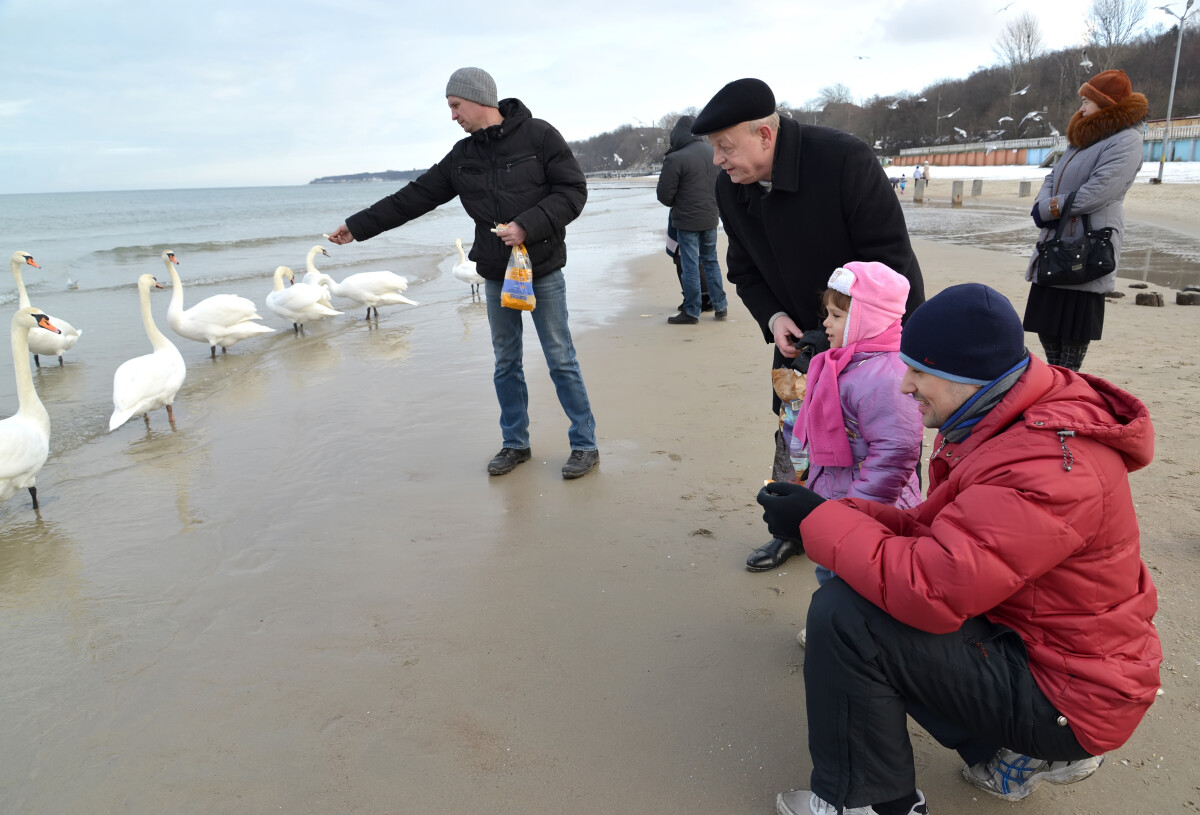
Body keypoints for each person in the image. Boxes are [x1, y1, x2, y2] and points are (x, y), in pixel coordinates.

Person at [757, 283, 1161, 815]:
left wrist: (818, 524)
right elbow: (936, 535)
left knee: (847, 617)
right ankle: (1005, 753)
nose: (905, 386)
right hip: (1049, 656)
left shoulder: (1047, 464)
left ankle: (870, 803)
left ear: (966, 377)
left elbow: (931, 587)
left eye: (919, 373)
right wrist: (829, 513)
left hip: (1074, 695)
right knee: (870, 601)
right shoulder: (1008, 419)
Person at [690, 77, 925, 572]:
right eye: (713, 149)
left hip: (873, 340)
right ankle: (792, 528)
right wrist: (774, 319)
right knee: (793, 437)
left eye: (724, 147)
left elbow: (892, 264)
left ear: (765, 136)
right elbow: (743, 271)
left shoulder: (844, 160)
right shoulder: (730, 188)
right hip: (797, 340)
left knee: (880, 444)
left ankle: (891, 537)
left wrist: (846, 327)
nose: (717, 160)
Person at [326, 67, 599, 479]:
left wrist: (527, 224)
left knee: (560, 358)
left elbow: (573, 191)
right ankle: (515, 443)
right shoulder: (463, 155)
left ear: (478, 99)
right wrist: (359, 225)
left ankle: (584, 444)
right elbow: (413, 197)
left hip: (541, 268)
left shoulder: (540, 136)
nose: (453, 115)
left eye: (455, 106)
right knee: (506, 361)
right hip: (494, 271)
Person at [771, 262, 922, 583]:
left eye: (837, 317)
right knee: (832, 565)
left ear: (869, 319)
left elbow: (896, 454)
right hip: (836, 490)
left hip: (873, 504)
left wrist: (859, 508)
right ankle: (833, 626)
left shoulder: (888, 377)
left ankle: (842, 629)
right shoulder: (842, 362)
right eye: (827, 313)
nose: (826, 323)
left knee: (862, 575)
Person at [1025, 69, 1147, 371]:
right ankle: (1057, 379)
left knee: (1074, 331)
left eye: (1087, 102)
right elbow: (1054, 175)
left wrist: (1050, 209)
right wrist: (1043, 203)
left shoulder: (1127, 140)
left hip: (1089, 242)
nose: (1081, 108)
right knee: (1047, 325)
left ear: (1107, 104)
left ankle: (1068, 382)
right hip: (1056, 242)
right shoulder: (1081, 138)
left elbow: (1100, 190)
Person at [656, 114, 729, 324]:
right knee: (711, 262)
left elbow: (664, 196)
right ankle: (720, 306)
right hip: (710, 218)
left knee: (690, 266)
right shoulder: (712, 153)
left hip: (687, 222)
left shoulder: (675, 158)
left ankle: (692, 311)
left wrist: (678, 203)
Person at [665, 213, 713, 314]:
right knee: (705, 259)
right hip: (707, 215)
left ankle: (695, 300)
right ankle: (709, 299)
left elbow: (667, 198)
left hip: (685, 217)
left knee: (682, 259)